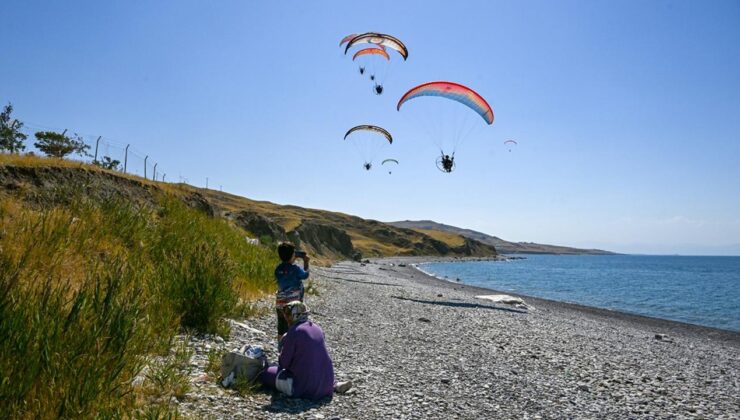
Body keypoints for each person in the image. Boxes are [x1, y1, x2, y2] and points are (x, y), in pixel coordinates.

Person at [260, 301, 336, 400]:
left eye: (288, 314)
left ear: (295, 316)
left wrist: (282, 343)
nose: (286, 317)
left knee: (265, 373)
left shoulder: (294, 332)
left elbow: (283, 363)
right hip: (327, 385)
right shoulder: (318, 329)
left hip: (303, 389)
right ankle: (335, 384)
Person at [274, 242, 310, 338]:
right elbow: (305, 275)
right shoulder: (295, 269)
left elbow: (283, 275)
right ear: (292, 255)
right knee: (293, 326)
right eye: (294, 253)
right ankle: (292, 347)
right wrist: (306, 262)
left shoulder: (278, 269)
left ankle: (281, 347)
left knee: (281, 326)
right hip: (293, 304)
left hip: (280, 302)